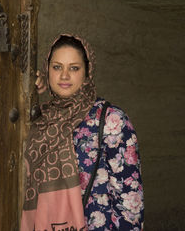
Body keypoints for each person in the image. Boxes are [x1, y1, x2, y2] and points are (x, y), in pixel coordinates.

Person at [20, 34, 144, 231]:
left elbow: (130, 204)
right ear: (46, 70)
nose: (64, 76)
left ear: (87, 72)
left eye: (74, 68)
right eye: (57, 67)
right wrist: (25, 89)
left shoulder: (112, 121)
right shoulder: (39, 120)